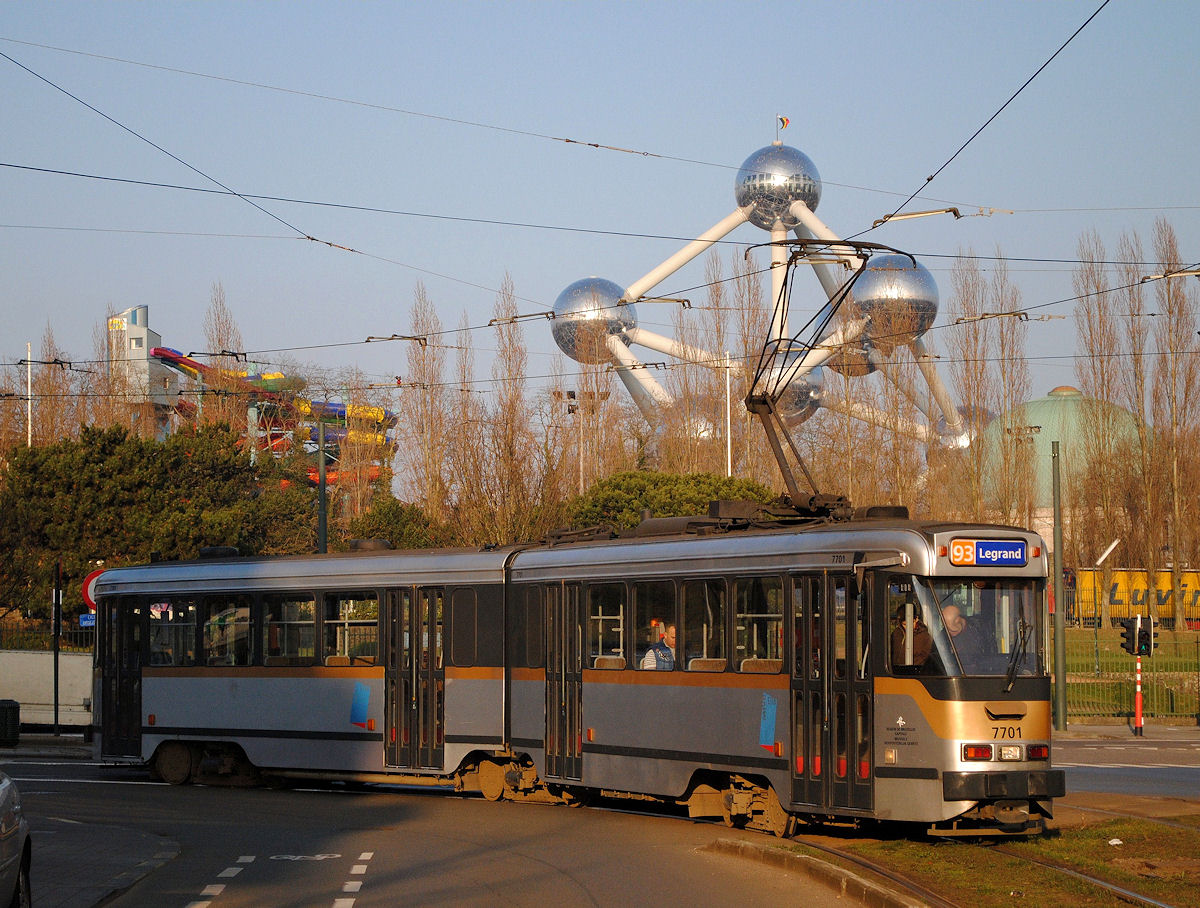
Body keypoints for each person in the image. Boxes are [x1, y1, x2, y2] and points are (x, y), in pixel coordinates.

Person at [942, 604, 985, 668]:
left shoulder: (979, 630)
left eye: (952, 630)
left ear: (958, 620)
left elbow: (987, 655)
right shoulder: (942, 637)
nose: (949, 633)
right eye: (946, 630)